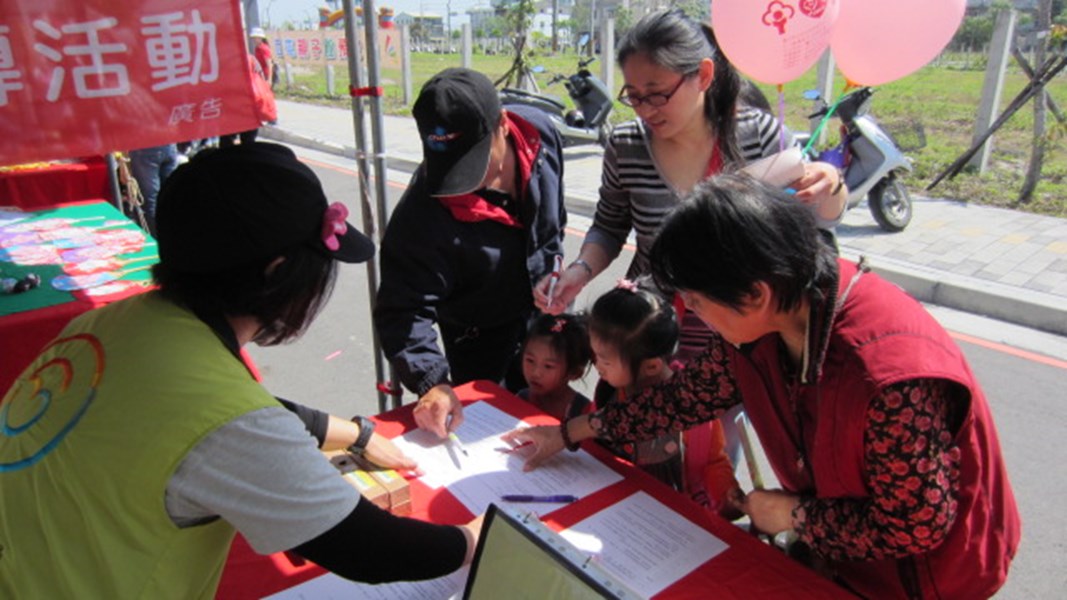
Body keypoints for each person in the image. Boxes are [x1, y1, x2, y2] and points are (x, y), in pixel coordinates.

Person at [505, 174, 1020, 599]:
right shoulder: (771, 322)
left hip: (926, 579)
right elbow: (684, 400)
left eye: (699, 302)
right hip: (843, 551)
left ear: (754, 293)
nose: (692, 316)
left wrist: (796, 514)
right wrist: (570, 432)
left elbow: (916, 523)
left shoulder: (886, 376)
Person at [0, 143, 480, 598]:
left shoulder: (109, 322)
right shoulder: (225, 420)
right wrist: (471, 539)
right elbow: (370, 550)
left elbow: (211, 416)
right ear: (277, 271)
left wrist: (355, 433)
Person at [374, 68, 566, 439]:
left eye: (473, 163)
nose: (466, 181)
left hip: (544, 311)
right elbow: (402, 309)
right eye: (452, 165)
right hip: (477, 333)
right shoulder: (424, 209)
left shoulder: (540, 134)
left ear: (504, 126)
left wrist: (554, 265)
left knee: (550, 419)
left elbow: (553, 218)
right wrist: (431, 380)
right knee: (485, 431)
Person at [587, 280, 740, 519]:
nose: (598, 367)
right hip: (615, 505)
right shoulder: (610, 392)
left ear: (652, 366)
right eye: (595, 356)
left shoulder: (693, 410)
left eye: (605, 361)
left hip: (672, 517)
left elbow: (713, 462)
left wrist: (728, 497)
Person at [516, 313, 593, 422]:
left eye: (548, 366)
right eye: (530, 360)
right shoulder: (522, 398)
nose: (536, 372)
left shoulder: (583, 414)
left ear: (574, 372)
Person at [127, 142, 179, 236]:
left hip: (146, 146)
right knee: (169, 196)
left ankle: (159, 239)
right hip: (166, 143)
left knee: (152, 202)